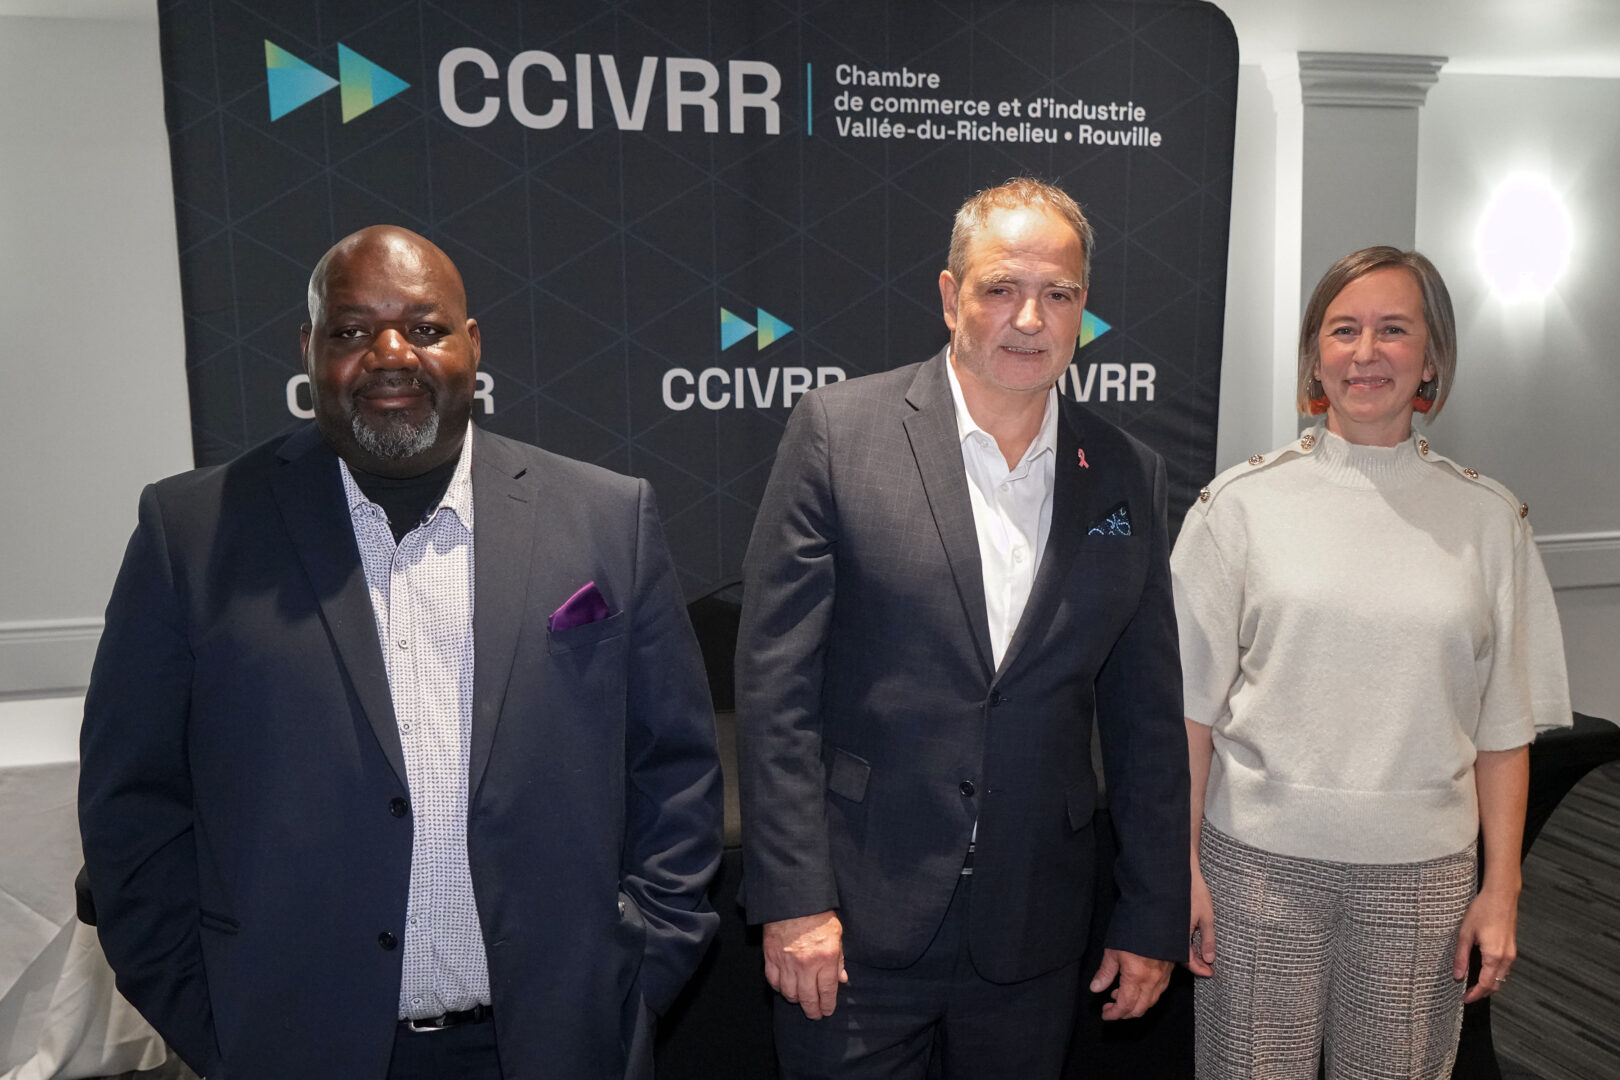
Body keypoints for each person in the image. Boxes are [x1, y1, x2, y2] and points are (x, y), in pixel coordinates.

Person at [78, 226, 723, 1080]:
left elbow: (673, 772)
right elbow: (134, 809)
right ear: (307, 351)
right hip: (296, 1045)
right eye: (350, 331)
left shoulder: (606, 519)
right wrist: (220, 1023)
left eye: (423, 329)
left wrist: (634, 976)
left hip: (556, 1042)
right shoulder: (190, 535)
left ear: (472, 345)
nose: (390, 354)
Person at [736, 178, 1190, 1078]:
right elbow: (775, 687)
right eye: (1000, 288)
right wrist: (793, 900)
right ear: (951, 298)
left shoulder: (1128, 474)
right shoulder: (839, 432)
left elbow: (1146, 717)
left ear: (1083, 310)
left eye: (1058, 294)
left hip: (1035, 926)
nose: (1030, 317)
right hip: (854, 921)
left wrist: (1150, 913)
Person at [1173, 247, 1571, 1079]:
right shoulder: (1238, 507)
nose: (1366, 352)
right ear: (1316, 355)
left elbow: (1504, 733)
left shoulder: (1491, 521)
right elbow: (1190, 716)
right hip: (1255, 875)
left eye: (1394, 331)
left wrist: (1501, 894)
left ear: (1431, 358)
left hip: (1421, 883)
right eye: (1343, 330)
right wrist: (1183, 872)